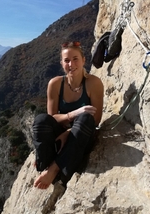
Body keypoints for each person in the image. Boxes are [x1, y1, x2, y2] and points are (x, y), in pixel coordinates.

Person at [32, 41, 104, 189]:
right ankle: (45, 161)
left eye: (75, 59)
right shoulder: (56, 84)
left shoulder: (93, 83)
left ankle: (54, 169)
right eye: (67, 60)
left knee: (85, 118)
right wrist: (72, 114)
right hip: (61, 132)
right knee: (41, 120)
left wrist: (69, 132)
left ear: (84, 60)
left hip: (82, 135)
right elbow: (52, 118)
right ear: (62, 63)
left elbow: (95, 121)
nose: (71, 64)